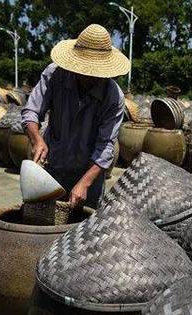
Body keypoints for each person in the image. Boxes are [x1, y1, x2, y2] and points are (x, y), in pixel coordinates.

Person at [21, 24, 129, 209]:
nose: (87, 75)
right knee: (45, 226)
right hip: (53, 166)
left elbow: (106, 147)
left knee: (84, 231)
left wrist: (85, 183)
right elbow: (31, 111)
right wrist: (37, 140)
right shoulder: (55, 75)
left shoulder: (113, 97)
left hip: (89, 173)